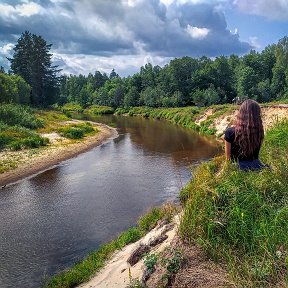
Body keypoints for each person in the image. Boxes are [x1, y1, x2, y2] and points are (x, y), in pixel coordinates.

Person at [224, 99, 267, 171]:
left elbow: (228, 159)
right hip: (256, 165)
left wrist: (223, 172)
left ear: (241, 113)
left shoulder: (229, 132)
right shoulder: (260, 131)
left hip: (238, 167)